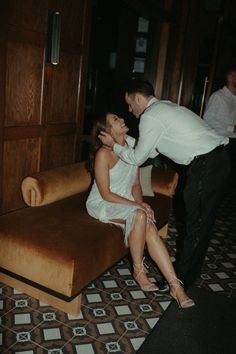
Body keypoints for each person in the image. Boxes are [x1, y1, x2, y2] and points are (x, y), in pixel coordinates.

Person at [98, 78, 231, 290]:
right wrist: (118, 145)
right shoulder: (163, 108)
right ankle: (185, 277)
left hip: (206, 165)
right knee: (201, 227)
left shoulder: (150, 117)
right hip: (218, 160)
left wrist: (115, 145)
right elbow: (149, 151)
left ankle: (179, 281)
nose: (129, 111)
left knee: (195, 228)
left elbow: (138, 159)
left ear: (138, 98)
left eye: (130, 104)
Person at [86, 112, 195, 308]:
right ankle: (138, 271)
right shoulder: (103, 154)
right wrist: (138, 207)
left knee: (150, 227)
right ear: (106, 132)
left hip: (126, 201)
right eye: (115, 120)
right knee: (138, 215)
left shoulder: (131, 148)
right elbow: (105, 194)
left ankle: (175, 286)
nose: (121, 120)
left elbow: (136, 184)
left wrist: (141, 203)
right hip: (103, 203)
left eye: (119, 117)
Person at [203, 65, 236, 169]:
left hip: (233, 143)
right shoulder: (218, 96)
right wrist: (232, 128)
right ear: (231, 77)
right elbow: (208, 120)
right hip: (221, 144)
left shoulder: (234, 98)